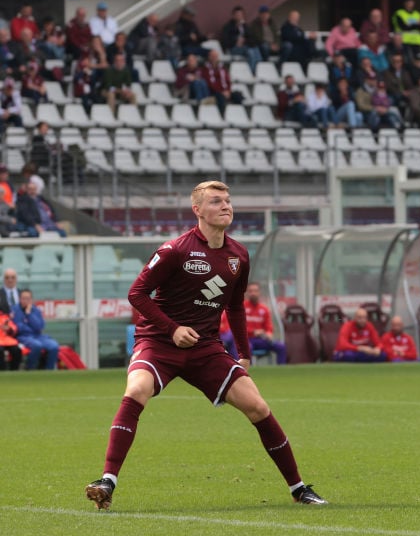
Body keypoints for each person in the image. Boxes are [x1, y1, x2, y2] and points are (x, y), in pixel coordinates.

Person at [84, 181, 326, 510]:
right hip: (159, 342)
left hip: (205, 347)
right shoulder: (175, 250)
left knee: (258, 407)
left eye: (228, 200)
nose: (226, 206)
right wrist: (172, 330)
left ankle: (299, 489)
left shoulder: (238, 255)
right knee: (136, 389)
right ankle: (107, 482)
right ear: (197, 210)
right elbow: (136, 295)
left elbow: (236, 307)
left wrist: (243, 353)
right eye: (216, 201)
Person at [220, 283, 287, 365]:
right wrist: (253, 331)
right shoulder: (241, 307)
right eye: (251, 291)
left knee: (281, 347)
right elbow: (234, 328)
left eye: (255, 291)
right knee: (247, 348)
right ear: (247, 293)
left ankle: (281, 371)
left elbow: (268, 327)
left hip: (260, 339)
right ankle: (247, 371)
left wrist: (269, 333)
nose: (253, 293)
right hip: (246, 339)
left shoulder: (264, 309)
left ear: (259, 292)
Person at [12, 288, 59, 370]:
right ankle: (30, 369)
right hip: (23, 337)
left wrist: (29, 314)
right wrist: (33, 328)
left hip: (38, 336)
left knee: (54, 346)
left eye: (28, 298)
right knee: (37, 345)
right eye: (23, 298)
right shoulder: (15, 310)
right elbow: (18, 327)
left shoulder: (36, 310)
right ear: (20, 299)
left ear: (31, 299)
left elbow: (40, 326)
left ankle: (49, 371)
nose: (26, 300)